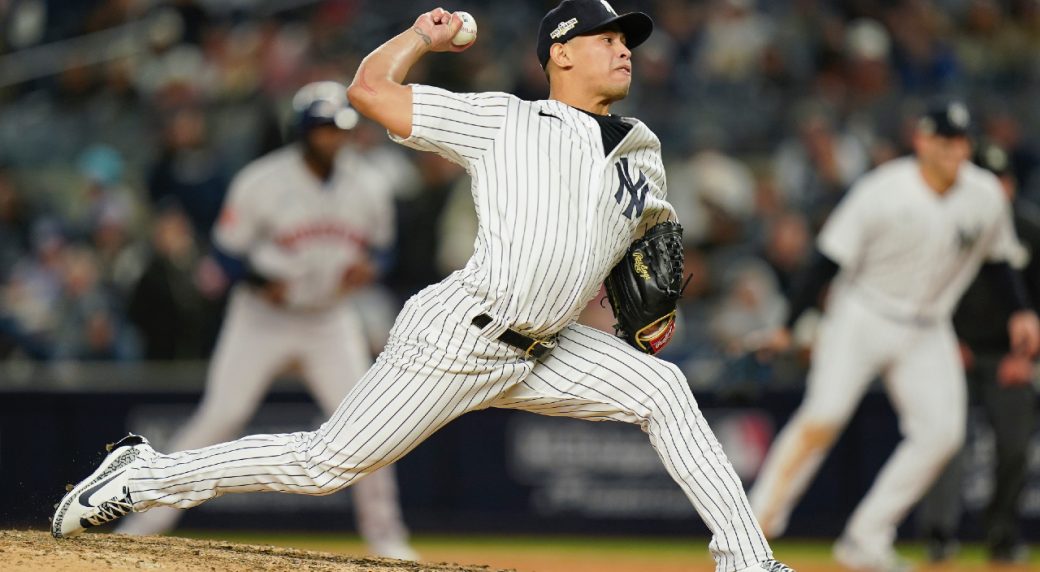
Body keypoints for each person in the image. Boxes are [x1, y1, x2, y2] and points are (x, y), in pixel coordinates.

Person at [52, 3, 793, 570]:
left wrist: (651, 312)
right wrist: (421, 37)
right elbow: (370, 91)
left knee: (663, 391)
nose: (624, 47)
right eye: (606, 37)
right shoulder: (506, 120)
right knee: (324, 465)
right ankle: (147, 476)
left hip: (549, 346)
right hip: (461, 334)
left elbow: (644, 252)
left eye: (627, 38)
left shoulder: (644, 150)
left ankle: (747, 558)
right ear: (560, 54)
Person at [113, 80, 417, 560]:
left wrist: (372, 268)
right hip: (262, 320)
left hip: (328, 319)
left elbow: (384, 250)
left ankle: (387, 538)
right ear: (300, 130)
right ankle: (144, 524)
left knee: (369, 426)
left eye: (340, 129)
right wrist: (258, 282)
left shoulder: (369, 184)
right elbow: (225, 256)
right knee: (220, 417)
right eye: (322, 129)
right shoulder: (261, 181)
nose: (332, 138)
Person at [746, 101, 1040, 571]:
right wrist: (788, 324)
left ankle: (865, 540)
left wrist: (1021, 311)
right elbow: (826, 260)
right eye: (944, 140)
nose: (952, 151)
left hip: (928, 326)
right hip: (862, 313)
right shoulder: (882, 191)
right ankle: (751, 530)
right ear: (922, 141)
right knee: (823, 415)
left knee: (942, 433)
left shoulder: (984, 195)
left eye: (960, 142)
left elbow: (1001, 259)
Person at [916, 142, 1040, 564]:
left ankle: (1002, 535)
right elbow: (922, 288)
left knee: (1014, 446)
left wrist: (1026, 357)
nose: (998, 190)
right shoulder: (948, 226)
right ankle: (939, 535)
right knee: (942, 442)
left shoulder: (1030, 232)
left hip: (1011, 359)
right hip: (951, 353)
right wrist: (945, 342)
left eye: (1003, 182)